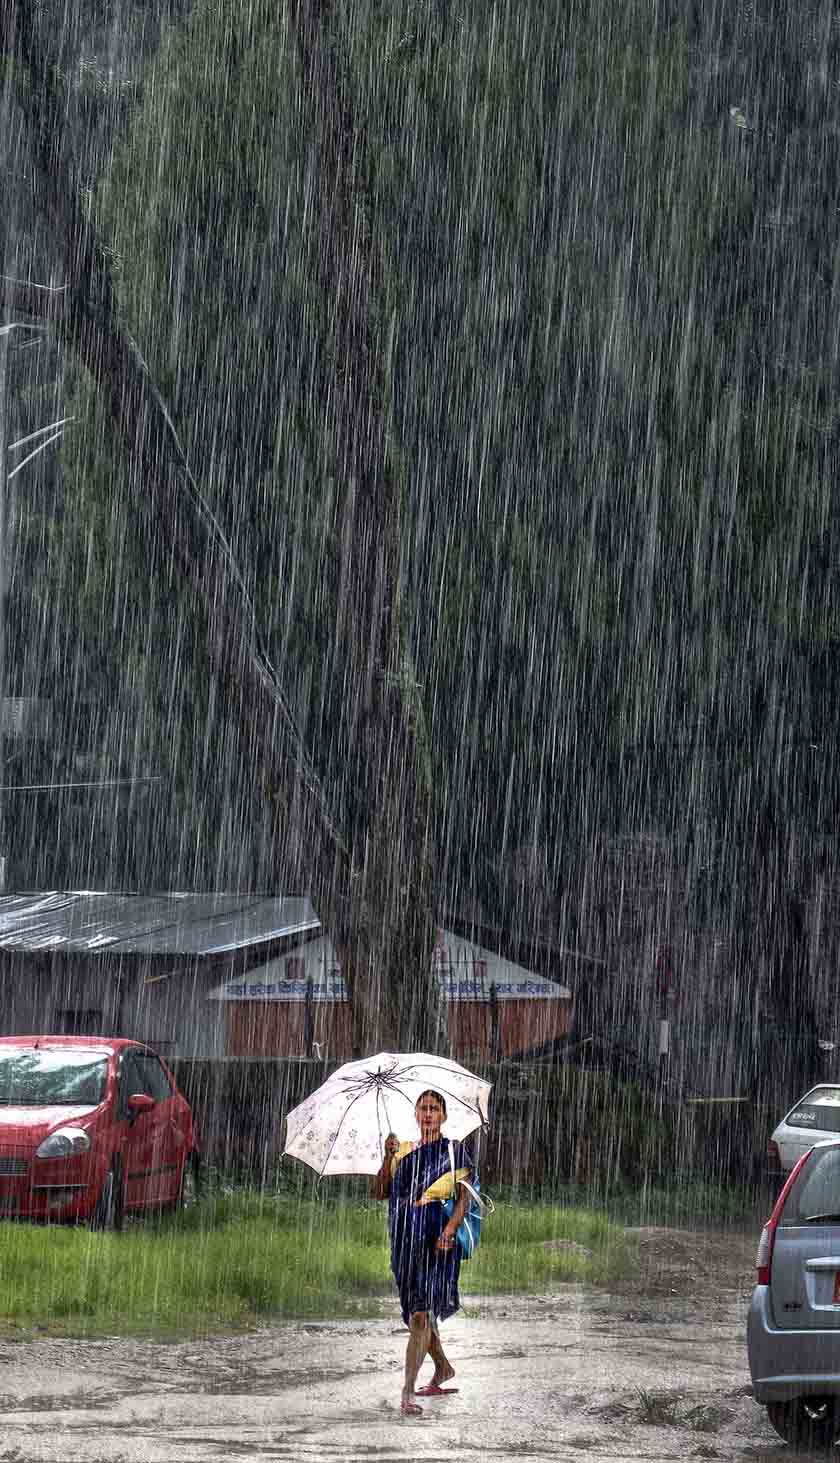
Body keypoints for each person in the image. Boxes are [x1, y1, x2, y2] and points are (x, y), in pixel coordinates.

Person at [372, 1088, 474, 1415]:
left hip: (436, 1241)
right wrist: (388, 1157)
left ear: (444, 1115)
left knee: (420, 1314)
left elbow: (463, 1199)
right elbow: (380, 1193)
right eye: (423, 1109)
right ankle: (442, 1367)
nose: (428, 1114)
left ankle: (407, 1393)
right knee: (420, 1312)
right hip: (404, 1241)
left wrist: (449, 1230)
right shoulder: (403, 1151)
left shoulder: (455, 1151)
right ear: (416, 1115)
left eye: (434, 1108)